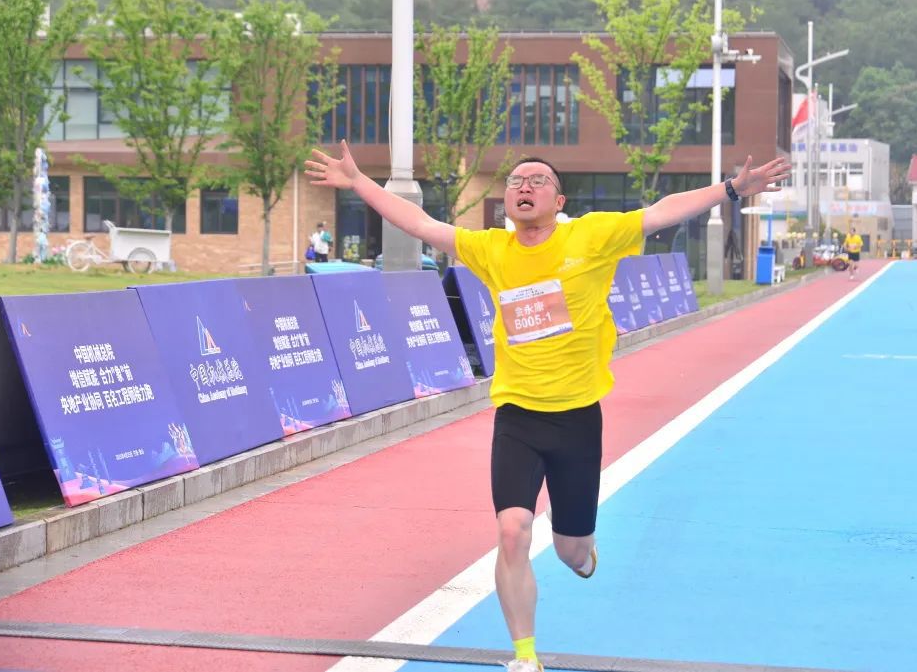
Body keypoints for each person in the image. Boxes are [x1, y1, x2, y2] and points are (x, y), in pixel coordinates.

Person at [305, 141, 790, 672]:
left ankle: (581, 548)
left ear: (559, 202)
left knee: (570, 552)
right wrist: (359, 182)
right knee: (512, 531)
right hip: (517, 416)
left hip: (578, 418)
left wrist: (730, 190)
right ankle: (524, 656)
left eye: (538, 180)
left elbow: (661, 212)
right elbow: (422, 224)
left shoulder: (592, 236)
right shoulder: (491, 249)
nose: (524, 186)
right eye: (516, 181)